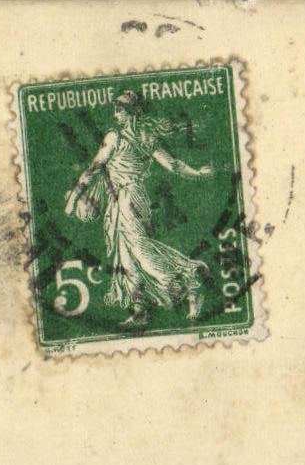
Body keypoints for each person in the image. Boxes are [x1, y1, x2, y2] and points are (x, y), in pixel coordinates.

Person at [64, 90, 213, 326]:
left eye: (119, 110)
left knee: (141, 252)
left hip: (128, 197)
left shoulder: (115, 137)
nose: (115, 114)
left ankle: (190, 283)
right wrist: (196, 173)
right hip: (127, 198)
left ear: (130, 112)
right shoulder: (144, 135)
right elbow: (172, 165)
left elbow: (94, 167)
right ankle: (140, 310)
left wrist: (74, 198)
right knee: (127, 260)